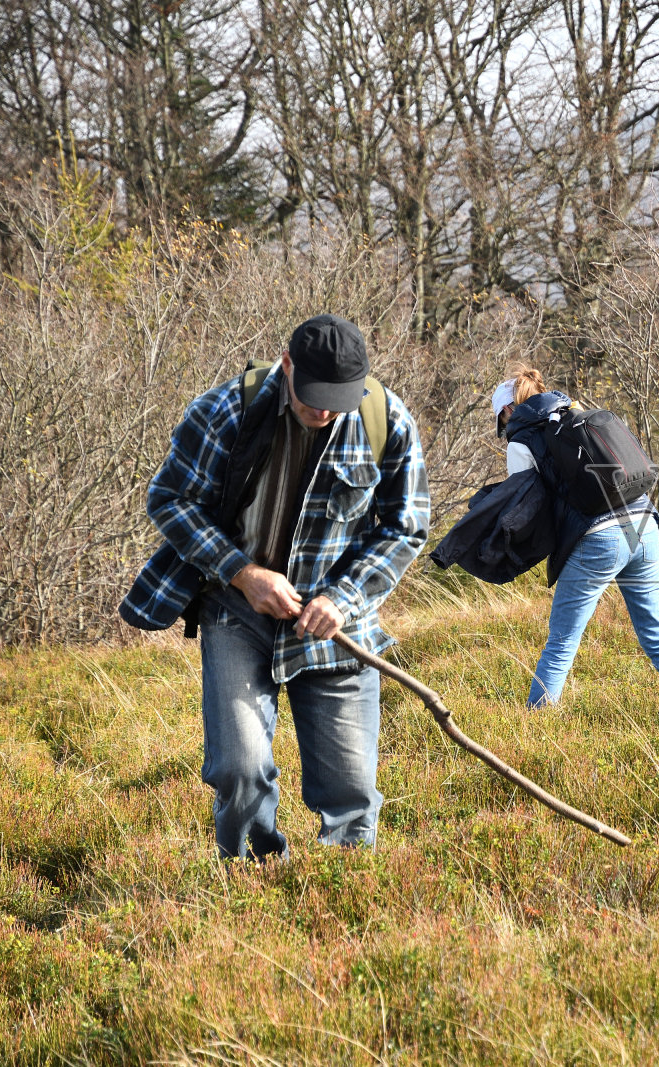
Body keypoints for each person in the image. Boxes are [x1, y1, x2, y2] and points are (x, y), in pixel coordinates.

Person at [120, 314, 430, 858]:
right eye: (314, 396)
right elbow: (170, 500)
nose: (326, 410)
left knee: (351, 790)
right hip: (237, 612)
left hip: (335, 624)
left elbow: (405, 527)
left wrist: (345, 597)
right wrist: (243, 573)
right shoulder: (223, 412)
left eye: (341, 397)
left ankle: (345, 895)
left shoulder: (388, 420)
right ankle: (253, 887)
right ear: (286, 365)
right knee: (239, 771)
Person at [492, 365, 659, 707]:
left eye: (501, 422)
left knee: (561, 642)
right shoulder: (576, 414)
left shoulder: (521, 441)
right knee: (656, 634)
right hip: (645, 525)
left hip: (600, 537)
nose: (503, 429)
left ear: (508, 411)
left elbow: (528, 507)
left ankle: (534, 725)